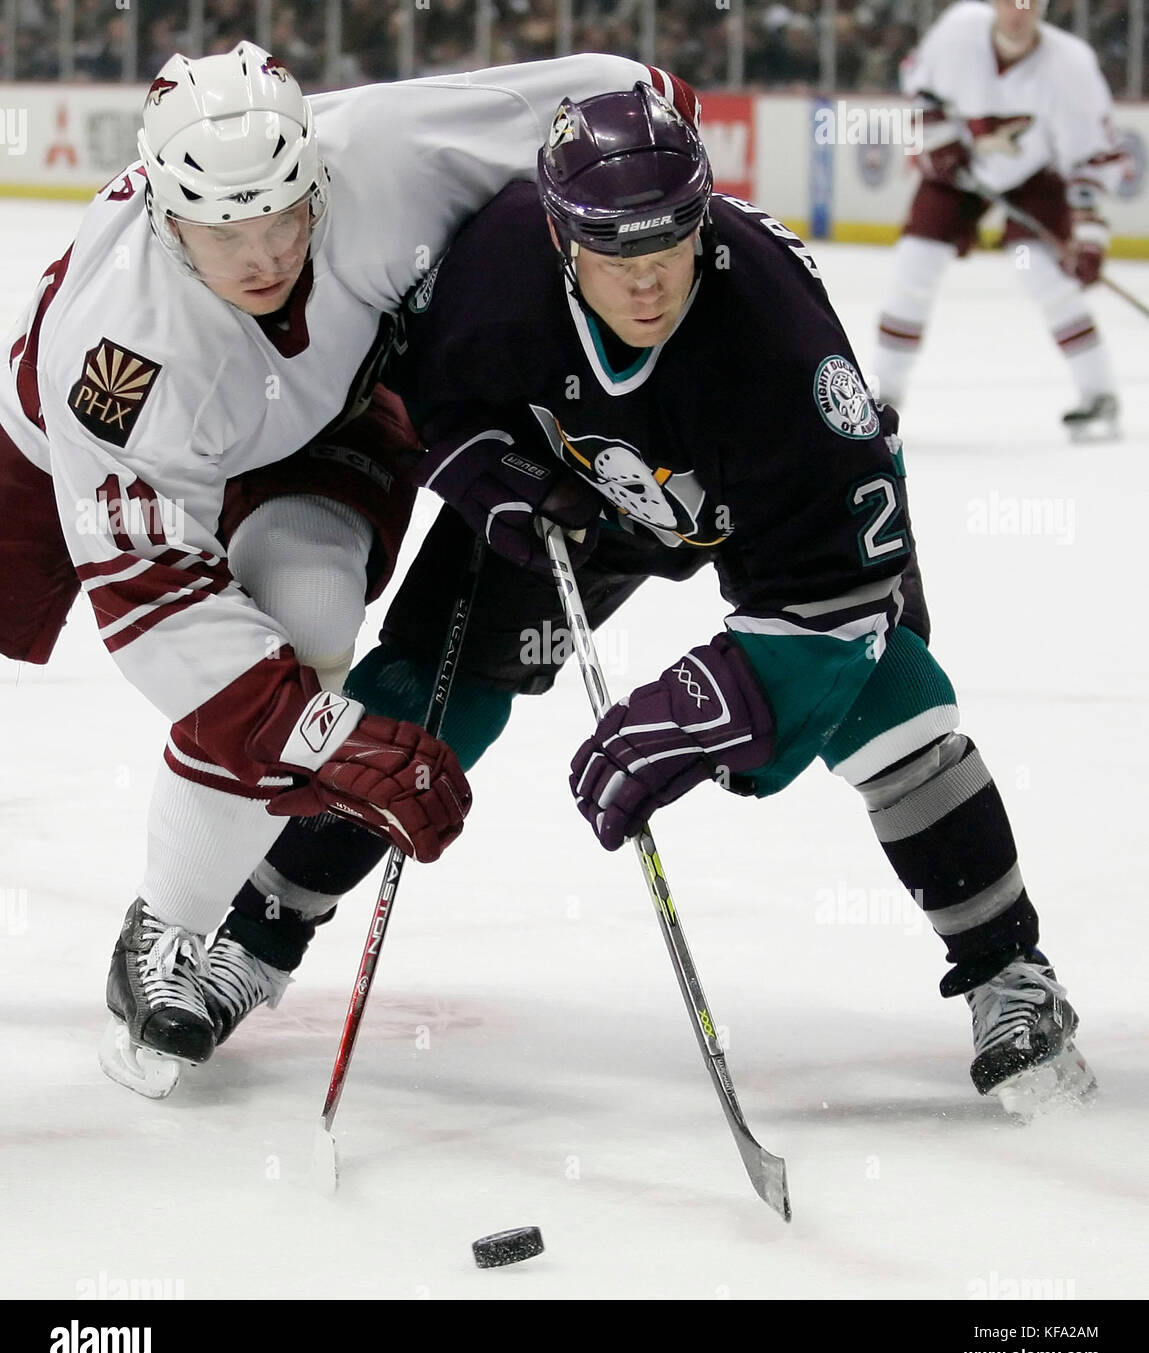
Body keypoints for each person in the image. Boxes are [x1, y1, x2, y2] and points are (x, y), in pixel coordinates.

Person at [216, 84, 1094, 1116]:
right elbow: (433, 391)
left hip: (774, 521)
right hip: (574, 493)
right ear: (557, 234)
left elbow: (842, 591)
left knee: (892, 697)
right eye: (616, 255)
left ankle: (1009, 974)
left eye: (671, 247)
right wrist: (488, 475)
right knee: (423, 690)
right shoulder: (495, 269)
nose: (647, 283)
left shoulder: (778, 345)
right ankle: (252, 940)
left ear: (704, 220)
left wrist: (722, 712)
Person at [0, 43, 699, 1097]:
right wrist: (332, 743)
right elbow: (166, 611)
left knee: (309, 614)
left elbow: (631, 97)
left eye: (288, 216)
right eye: (225, 232)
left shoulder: (381, 150)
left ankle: (168, 928)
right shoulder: (119, 363)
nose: (267, 255)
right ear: (162, 217)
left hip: (332, 406)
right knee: (254, 695)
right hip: (66, 445)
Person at [871, 0, 1128, 441]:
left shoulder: (1070, 65)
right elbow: (921, 89)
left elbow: (1090, 158)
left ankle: (1099, 391)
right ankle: (882, 395)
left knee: (1043, 274)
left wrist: (1088, 238)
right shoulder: (958, 31)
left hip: (1034, 175)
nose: (1019, 10)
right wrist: (942, 140)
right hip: (960, 169)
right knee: (915, 266)